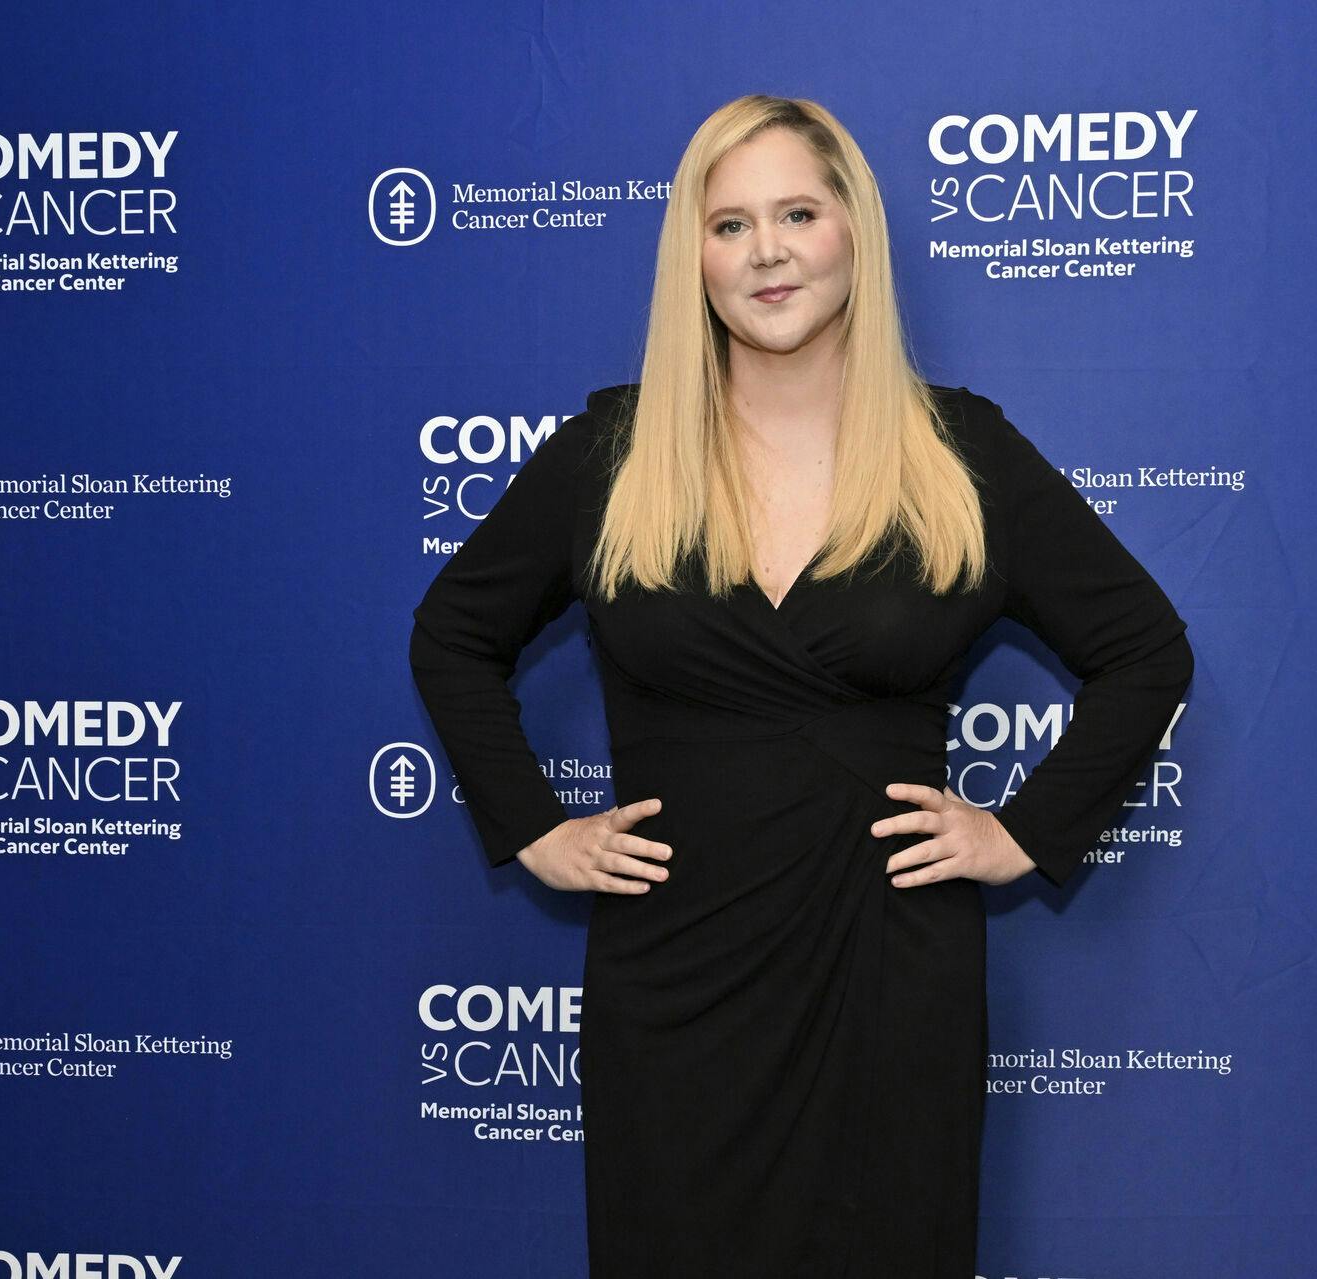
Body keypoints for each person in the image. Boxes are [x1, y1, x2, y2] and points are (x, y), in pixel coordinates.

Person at [409, 94, 1192, 1278]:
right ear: (695, 259)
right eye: (729, 225)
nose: (766, 250)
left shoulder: (957, 454)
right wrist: (530, 828)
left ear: (853, 235)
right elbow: (453, 632)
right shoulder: (612, 459)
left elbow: (1146, 648)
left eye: (797, 212)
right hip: (673, 984)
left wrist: (1022, 831)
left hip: (889, 982)